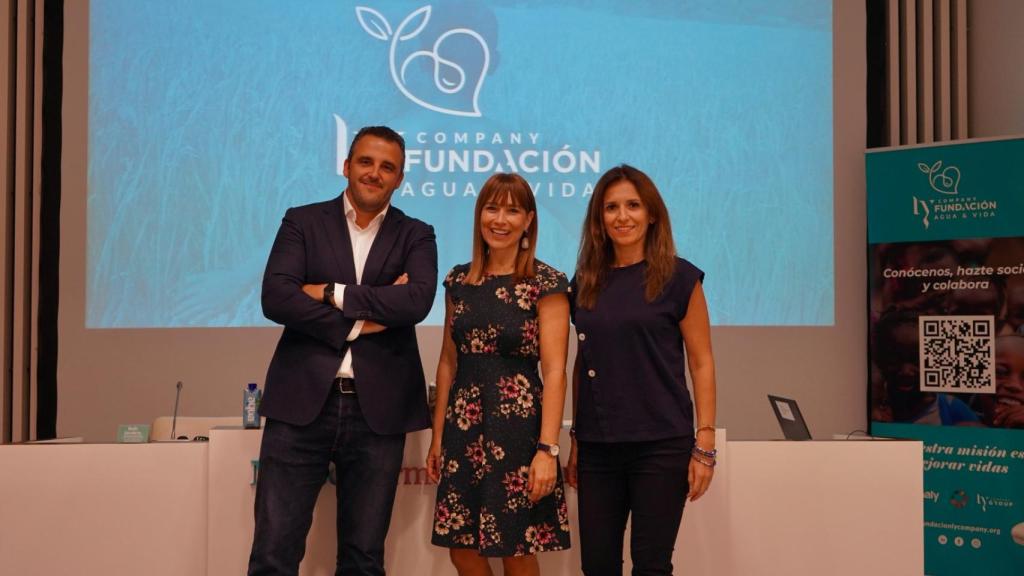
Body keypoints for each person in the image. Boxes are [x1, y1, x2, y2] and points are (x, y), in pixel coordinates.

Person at [249, 126, 438, 576]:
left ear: (400, 178)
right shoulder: (302, 221)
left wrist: (329, 293)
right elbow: (276, 296)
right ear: (347, 165)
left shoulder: (417, 234)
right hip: (301, 406)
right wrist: (359, 322)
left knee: (364, 558)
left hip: (380, 412)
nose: (375, 173)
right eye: (366, 162)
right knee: (274, 553)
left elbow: (416, 301)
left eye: (387, 167)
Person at [565, 164, 717, 576]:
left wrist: (704, 445)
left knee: (651, 566)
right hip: (598, 447)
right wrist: (577, 437)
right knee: (597, 566)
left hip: (661, 445)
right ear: (599, 219)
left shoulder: (680, 277)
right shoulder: (585, 281)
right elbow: (584, 361)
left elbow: (702, 363)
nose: (622, 216)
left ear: (652, 213)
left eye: (633, 205)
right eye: (611, 207)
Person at [426, 172, 571, 574]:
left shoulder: (546, 282)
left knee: (516, 548)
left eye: (512, 210)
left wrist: (547, 450)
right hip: (463, 430)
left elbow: (556, 371)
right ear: (479, 215)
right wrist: (438, 436)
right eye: (492, 208)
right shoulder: (458, 280)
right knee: (462, 548)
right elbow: (447, 361)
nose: (500, 219)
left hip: (521, 434)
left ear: (528, 220)